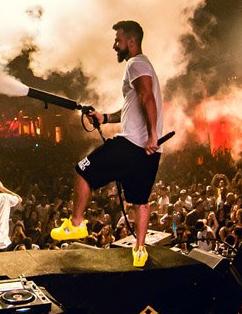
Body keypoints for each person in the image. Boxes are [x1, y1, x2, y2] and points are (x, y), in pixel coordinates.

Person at [51, 20, 163, 268]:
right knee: (140, 201)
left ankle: (76, 224)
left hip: (132, 144)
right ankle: (140, 249)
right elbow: (134, 107)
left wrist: (152, 134)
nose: (114, 46)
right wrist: (105, 118)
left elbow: (147, 97)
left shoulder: (136, 64)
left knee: (82, 170)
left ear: (131, 42)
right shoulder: (145, 65)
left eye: (118, 40)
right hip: (148, 150)